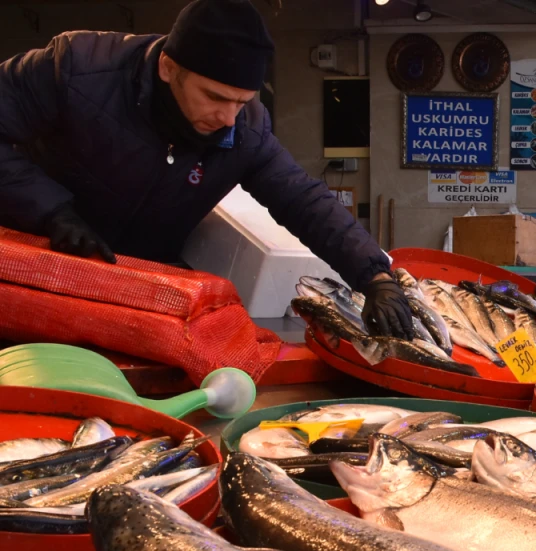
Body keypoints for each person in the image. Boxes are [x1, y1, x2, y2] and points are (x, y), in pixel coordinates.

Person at [0, 0, 415, 339]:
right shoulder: (75, 67)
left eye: (242, 101)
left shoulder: (246, 129)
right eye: (216, 97)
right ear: (167, 67)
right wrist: (52, 210)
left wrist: (374, 275)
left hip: (130, 286)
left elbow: (303, 199)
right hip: (28, 259)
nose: (229, 117)